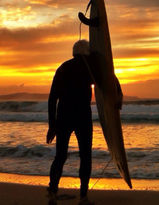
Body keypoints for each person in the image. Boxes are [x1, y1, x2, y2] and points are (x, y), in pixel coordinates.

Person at [46, 40, 95, 205]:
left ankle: (52, 191)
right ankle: (83, 196)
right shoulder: (90, 68)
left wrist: (52, 125)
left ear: (74, 52)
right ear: (87, 53)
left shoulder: (63, 68)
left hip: (64, 116)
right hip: (83, 117)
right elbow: (108, 80)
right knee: (85, 156)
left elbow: (52, 98)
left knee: (60, 155)